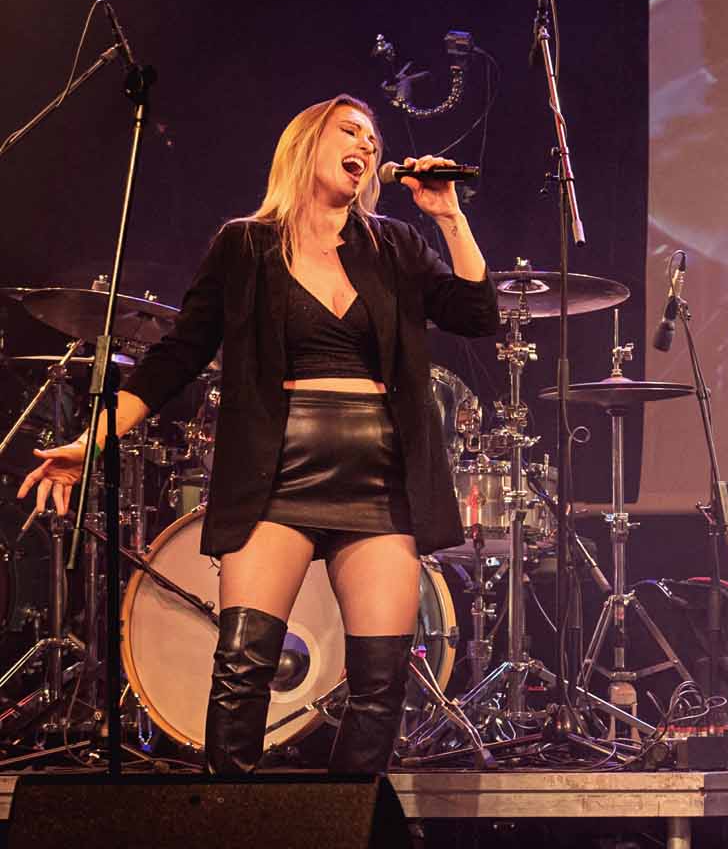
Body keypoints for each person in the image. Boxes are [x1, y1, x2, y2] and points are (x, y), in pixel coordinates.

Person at [18, 96, 497, 775]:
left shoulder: (393, 245)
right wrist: (90, 442)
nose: (366, 145)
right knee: (245, 665)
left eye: (372, 138)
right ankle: (229, 827)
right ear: (305, 144)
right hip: (277, 472)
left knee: (380, 682)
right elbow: (177, 356)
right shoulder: (245, 244)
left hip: (380, 475)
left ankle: (340, 833)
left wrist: (449, 216)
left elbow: (476, 314)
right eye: (349, 131)